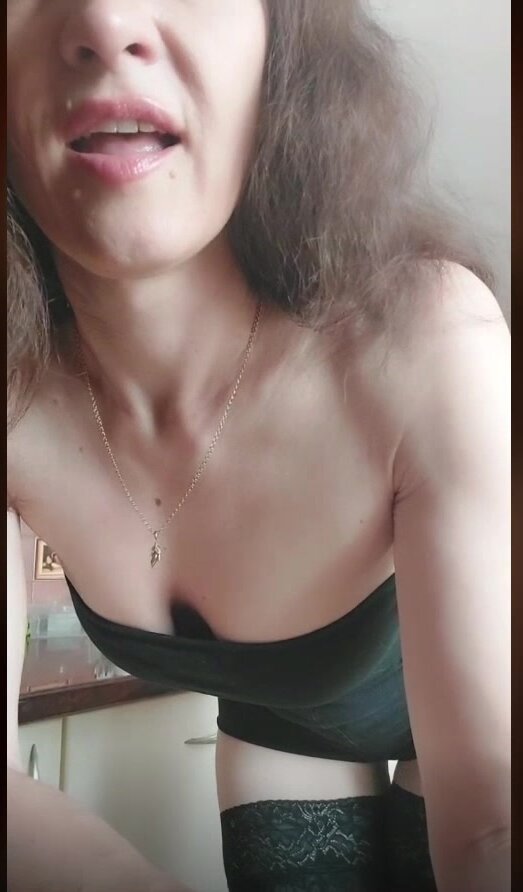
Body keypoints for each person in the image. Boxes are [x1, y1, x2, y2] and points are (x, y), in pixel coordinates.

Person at [6, 2, 510, 891]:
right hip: (282, 731)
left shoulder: (424, 341)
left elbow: (489, 822)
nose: (107, 18)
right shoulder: (18, 402)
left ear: (282, 51)